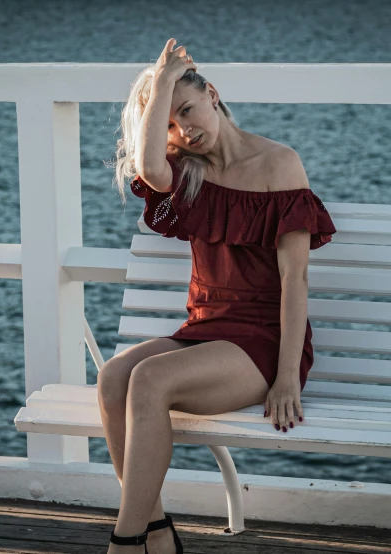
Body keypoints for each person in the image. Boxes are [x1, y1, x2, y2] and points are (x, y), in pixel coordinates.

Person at [101, 38, 336, 554]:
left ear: (212, 93)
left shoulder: (280, 165)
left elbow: (295, 280)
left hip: (262, 341)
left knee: (149, 380)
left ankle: (123, 543)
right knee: (114, 375)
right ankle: (158, 532)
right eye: (169, 124)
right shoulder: (188, 173)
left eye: (186, 109)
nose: (183, 130)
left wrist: (287, 377)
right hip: (206, 331)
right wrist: (161, 83)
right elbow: (148, 169)